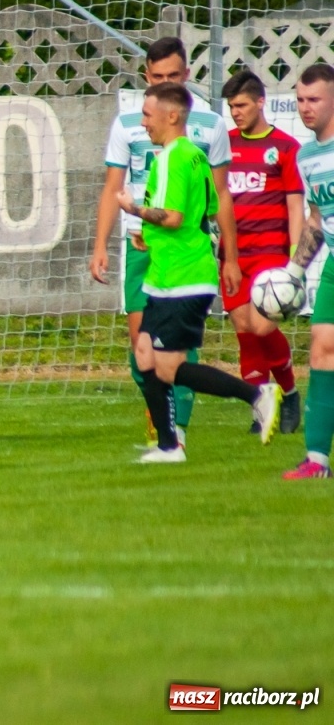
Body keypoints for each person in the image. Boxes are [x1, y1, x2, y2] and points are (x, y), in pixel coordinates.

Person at [117, 83, 281, 464]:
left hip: (182, 278)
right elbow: (199, 213)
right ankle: (168, 445)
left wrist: (133, 209)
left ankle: (255, 395)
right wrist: (150, 234)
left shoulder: (173, 158)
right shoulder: (194, 156)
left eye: (147, 114)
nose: (143, 123)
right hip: (170, 272)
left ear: (171, 115)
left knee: (168, 366)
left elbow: (172, 217)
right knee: (144, 354)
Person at [90, 36, 240, 449]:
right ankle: (166, 426)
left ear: (187, 75)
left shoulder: (209, 125)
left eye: (173, 75)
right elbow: (112, 187)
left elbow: (221, 194)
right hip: (142, 249)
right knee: (142, 353)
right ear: (146, 77)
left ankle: (176, 434)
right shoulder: (129, 124)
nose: (165, 82)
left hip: (183, 251)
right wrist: (101, 244)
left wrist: (230, 254)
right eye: (157, 77)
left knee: (174, 350)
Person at [221, 70, 303, 434]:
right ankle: (262, 406)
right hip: (233, 254)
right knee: (243, 328)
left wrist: (295, 258)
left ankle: (290, 392)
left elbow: (295, 206)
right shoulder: (224, 146)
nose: (235, 112)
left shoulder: (285, 147)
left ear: (260, 102)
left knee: (261, 324)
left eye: (241, 105)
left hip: (271, 253)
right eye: (231, 107)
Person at [283, 64, 334, 479]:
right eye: (300, 100)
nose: (305, 108)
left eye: (314, 99)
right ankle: (316, 460)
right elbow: (316, 220)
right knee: (321, 348)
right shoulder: (306, 156)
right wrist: (294, 272)